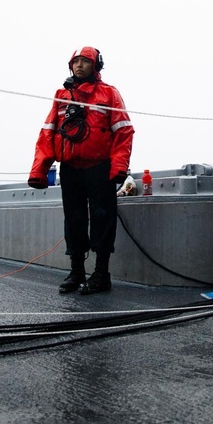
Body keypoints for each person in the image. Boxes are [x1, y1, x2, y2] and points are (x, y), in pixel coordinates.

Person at [28, 47, 135, 295]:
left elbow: (123, 130)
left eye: (85, 61)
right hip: (71, 169)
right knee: (74, 220)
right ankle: (76, 272)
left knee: (102, 218)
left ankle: (101, 274)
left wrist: (119, 167)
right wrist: (39, 171)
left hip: (100, 169)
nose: (79, 66)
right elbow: (48, 133)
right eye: (75, 62)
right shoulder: (62, 95)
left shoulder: (109, 94)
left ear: (96, 66)